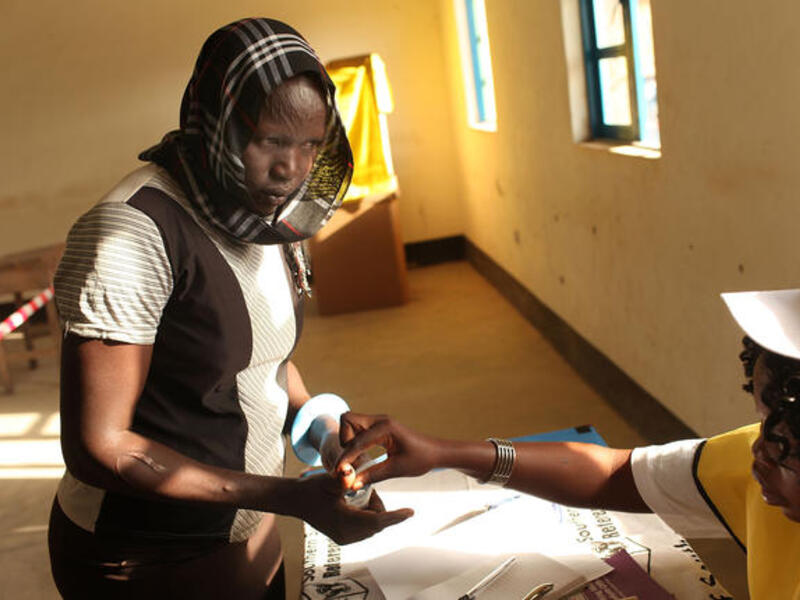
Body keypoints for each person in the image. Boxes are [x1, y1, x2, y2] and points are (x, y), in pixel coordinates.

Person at [48, 18, 410, 600]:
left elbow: (259, 362)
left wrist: (320, 429)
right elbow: (100, 446)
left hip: (247, 525)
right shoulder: (132, 232)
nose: (290, 169)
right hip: (146, 559)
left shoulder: (270, 216)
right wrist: (288, 497)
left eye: (311, 144)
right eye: (269, 140)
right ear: (214, 122)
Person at [336, 289, 800, 599]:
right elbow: (616, 474)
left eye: (786, 441)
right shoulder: (748, 463)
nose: (759, 452)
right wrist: (445, 453)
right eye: (761, 420)